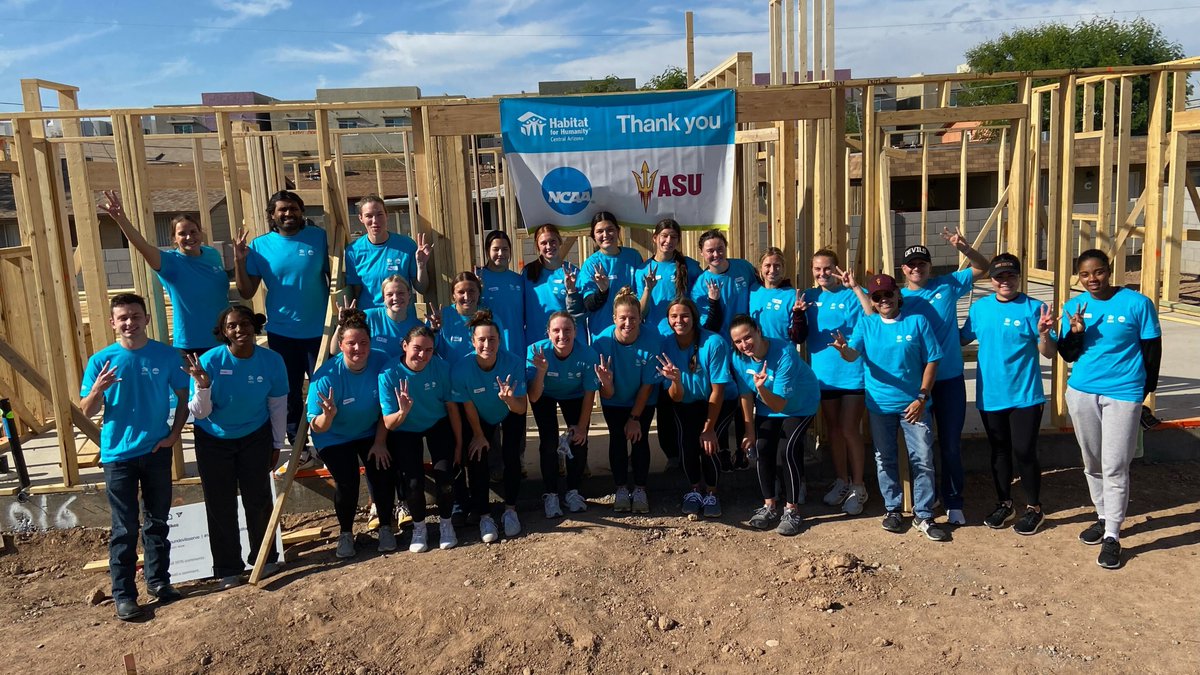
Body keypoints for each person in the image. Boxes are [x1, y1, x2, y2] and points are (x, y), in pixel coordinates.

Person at [80, 293, 189, 621]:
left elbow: (184, 397)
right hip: (118, 455)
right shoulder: (102, 360)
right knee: (125, 527)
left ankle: (159, 582)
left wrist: (173, 435)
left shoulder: (167, 356)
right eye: (123, 318)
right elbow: (87, 410)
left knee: (157, 522)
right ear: (114, 323)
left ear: (146, 319)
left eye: (135, 316)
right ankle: (124, 595)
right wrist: (98, 389)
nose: (130, 322)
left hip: (156, 451)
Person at [1052, 249, 1161, 569]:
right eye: (1085, 275)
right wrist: (1076, 331)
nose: (1092, 279)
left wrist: (1142, 394)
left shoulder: (1137, 303)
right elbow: (1067, 355)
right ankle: (1102, 515)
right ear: (1079, 277)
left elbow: (1152, 350)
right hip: (1083, 392)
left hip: (1123, 394)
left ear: (1109, 271)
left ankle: (1112, 535)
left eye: (1098, 272)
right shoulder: (1074, 307)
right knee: (1092, 461)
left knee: (1115, 464)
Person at [830, 274, 949, 542]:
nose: (884, 300)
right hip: (880, 405)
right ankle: (893, 509)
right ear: (872, 301)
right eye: (877, 296)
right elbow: (853, 355)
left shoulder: (917, 322)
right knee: (885, 459)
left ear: (898, 295)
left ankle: (923, 514)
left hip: (914, 405)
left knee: (924, 459)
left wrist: (921, 397)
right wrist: (843, 350)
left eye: (888, 294)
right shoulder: (867, 324)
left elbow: (933, 360)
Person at [185, 306, 287, 588]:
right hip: (213, 440)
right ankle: (228, 568)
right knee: (220, 503)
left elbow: (277, 406)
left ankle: (265, 558)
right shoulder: (209, 361)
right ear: (224, 332)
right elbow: (200, 413)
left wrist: (277, 443)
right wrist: (203, 386)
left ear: (255, 327)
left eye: (244, 324)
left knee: (258, 499)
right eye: (232, 326)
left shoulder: (272, 361)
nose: (239, 330)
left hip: (255, 435)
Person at [894, 230, 988, 525]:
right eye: (911, 265)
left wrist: (966, 248)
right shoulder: (898, 298)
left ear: (930, 266)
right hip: (916, 384)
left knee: (949, 442)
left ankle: (953, 500)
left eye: (922, 263)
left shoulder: (947, 285)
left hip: (948, 379)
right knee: (922, 446)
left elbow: (984, 267)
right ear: (903, 270)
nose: (917, 268)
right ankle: (926, 498)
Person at [960, 253, 1056, 536]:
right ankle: (1005, 503)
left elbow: (1049, 353)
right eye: (1000, 277)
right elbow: (961, 338)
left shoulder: (1035, 308)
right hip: (991, 394)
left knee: (1024, 451)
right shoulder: (980, 309)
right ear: (991, 280)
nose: (1005, 281)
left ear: (1019, 277)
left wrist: (1043, 334)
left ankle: (1035, 509)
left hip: (1025, 394)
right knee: (999, 451)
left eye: (1011, 276)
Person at [235, 190, 330, 471]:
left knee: (322, 389)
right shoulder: (260, 246)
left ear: (302, 211)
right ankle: (299, 449)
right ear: (272, 215)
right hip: (282, 333)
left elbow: (336, 277)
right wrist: (240, 259)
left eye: (293, 209)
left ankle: (325, 445)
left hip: (319, 331)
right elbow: (245, 290)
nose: (288, 214)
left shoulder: (318, 239)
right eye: (282, 210)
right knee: (287, 394)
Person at [307, 311, 395, 558]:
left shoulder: (381, 361)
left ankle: (386, 526)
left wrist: (379, 442)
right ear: (341, 345)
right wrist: (329, 415)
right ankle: (346, 533)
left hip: (369, 430)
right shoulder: (325, 377)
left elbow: (387, 408)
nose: (358, 348)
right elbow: (317, 426)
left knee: (382, 471)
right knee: (347, 481)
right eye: (351, 343)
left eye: (364, 342)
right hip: (333, 435)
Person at [99, 191, 229, 357]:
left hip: (224, 337)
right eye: (182, 234)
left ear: (200, 233)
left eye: (193, 231)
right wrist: (121, 220)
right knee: (194, 383)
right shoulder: (170, 262)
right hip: (192, 344)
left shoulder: (212, 254)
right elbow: (142, 245)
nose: (189, 237)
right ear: (174, 238)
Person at [730, 315, 819, 536]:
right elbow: (744, 394)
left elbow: (780, 404)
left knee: (788, 450)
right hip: (767, 405)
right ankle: (769, 505)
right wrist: (749, 431)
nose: (744, 345)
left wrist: (760, 389)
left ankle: (792, 510)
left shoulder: (784, 353)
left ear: (759, 331)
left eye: (748, 337)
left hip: (800, 405)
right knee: (761, 448)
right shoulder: (739, 359)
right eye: (738, 342)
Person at [379, 325, 462, 552]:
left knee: (445, 477)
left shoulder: (441, 368)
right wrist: (403, 411)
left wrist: (459, 444)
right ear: (405, 346)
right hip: (405, 428)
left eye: (428, 350)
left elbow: (452, 408)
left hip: (437, 423)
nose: (422, 355)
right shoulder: (388, 374)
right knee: (413, 483)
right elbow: (388, 422)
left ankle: (446, 524)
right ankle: (419, 527)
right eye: (417, 348)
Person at [450, 310, 529, 540]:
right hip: (480, 415)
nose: (487, 344)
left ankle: (511, 510)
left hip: (510, 410)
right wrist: (478, 434)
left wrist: (508, 399)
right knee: (477, 455)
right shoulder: (462, 368)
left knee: (511, 455)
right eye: (481, 339)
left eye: (492, 339)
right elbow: (467, 405)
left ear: (499, 340)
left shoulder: (513, 363)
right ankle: (484, 515)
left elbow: (521, 408)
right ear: (473, 341)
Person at [802, 250, 869, 515]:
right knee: (833, 430)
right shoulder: (808, 297)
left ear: (836, 268)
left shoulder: (852, 292)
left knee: (850, 428)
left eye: (827, 269)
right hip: (823, 376)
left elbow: (871, 314)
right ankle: (842, 480)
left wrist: (855, 287)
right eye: (817, 269)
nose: (822, 274)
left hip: (852, 372)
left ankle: (859, 486)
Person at [657, 297, 734, 520]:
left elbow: (718, 390)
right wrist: (676, 381)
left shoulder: (714, 342)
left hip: (718, 400)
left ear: (694, 318)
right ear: (668, 320)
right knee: (687, 444)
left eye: (684, 316)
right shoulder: (666, 344)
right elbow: (675, 396)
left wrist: (709, 427)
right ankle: (694, 490)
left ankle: (712, 492)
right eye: (674, 316)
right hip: (686, 400)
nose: (679, 320)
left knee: (709, 445)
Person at [634, 218, 701, 470]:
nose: (668, 241)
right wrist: (648, 290)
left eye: (673, 236)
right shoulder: (642, 271)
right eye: (663, 236)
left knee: (684, 395)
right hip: (655, 341)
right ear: (654, 238)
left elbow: (697, 305)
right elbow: (639, 312)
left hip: (682, 341)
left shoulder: (689, 267)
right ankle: (671, 453)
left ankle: (690, 450)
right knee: (661, 399)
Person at [692, 229, 757, 471]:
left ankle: (744, 450)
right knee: (723, 398)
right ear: (702, 253)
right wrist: (713, 300)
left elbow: (760, 291)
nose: (716, 254)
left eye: (720, 248)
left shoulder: (743, 268)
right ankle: (723, 449)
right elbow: (707, 324)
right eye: (710, 250)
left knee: (745, 394)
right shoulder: (700, 284)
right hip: (719, 348)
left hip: (745, 345)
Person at [592, 289, 660, 514]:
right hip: (614, 398)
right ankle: (621, 488)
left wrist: (634, 417)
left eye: (633, 317)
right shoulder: (601, 342)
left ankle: (640, 489)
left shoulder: (651, 339)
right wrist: (608, 384)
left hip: (643, 398)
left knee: (639, 439)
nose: (628, 322)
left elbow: (647, 384)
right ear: (614, 319)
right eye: (623, 318)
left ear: (641, 318)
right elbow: (606, 393)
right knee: (618, 439)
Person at [527, 311, 599, 518]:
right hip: (545, 393)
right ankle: (551, 494)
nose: (562, 335)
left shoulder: (587, 354)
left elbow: (589, 393)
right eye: (556, 330)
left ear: (576, 332)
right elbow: (533, 396)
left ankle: (573, 491)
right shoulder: (535, 351)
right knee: (549, 441)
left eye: (567, 330)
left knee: (579, 438)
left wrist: (582, 427)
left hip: (575, 394)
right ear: (548, 333)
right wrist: (541, 371)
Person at [343, 194, 429, 310]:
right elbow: (355, 293)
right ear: (361, 218)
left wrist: (421, 266)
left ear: (386, 215)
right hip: (370, 319)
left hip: (402, 318)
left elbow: (422, 288)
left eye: (379, 215)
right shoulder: (353, 251)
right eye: (369, 216)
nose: (375, 221)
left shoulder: (407, 246)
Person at [577, 211, 643, 342]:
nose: (605, 235)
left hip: (631, 332)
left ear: (618, 231)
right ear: (593, 236)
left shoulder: (633, 257)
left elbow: (641, 296)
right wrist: (603, 291)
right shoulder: (591, 264)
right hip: (603, 335)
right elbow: (589, 304)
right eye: (600, 231)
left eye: (610, 230)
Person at [522, 223, 574, 347]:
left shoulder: (572, 272)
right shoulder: (528, 273)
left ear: (560, 241)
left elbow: (579, 311)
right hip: (537, 341)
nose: (549, 246)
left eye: (552, 241)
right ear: (537, 246)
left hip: (564, 342)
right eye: (544, 243)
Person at [477, 230, 526, 354]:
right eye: (496, 249)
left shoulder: (518, 279)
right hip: (489, 347)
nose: (501, 253)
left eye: (505, 249)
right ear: (487, 251)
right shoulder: (478, 278)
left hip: (517, 345)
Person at [437, 271, 499, 363]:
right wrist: (433, 330)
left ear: (479, 293)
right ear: (453, 296)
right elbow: (429, 351)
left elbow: (500, 352)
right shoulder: (441, 317)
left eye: (471, 291)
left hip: (483, 375)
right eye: (461, 292)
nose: (466, 297)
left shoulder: (491, 318)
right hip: (451, 375)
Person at [749, 247, 806, 342]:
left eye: (777, 265)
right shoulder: (753, 290)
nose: (772, 270)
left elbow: (799, 338)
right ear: (760, 267)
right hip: (756, 354)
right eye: (767, 265)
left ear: (783, 267)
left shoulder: (792, 296)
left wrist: (798, 315)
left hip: (782, 354)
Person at [364, 275, 423, 360]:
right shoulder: (369, 317)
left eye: (401, 293)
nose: (395, 298)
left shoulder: (418, 327)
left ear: (409, 295)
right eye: (390, 294)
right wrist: (342, 324)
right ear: (384, 298)